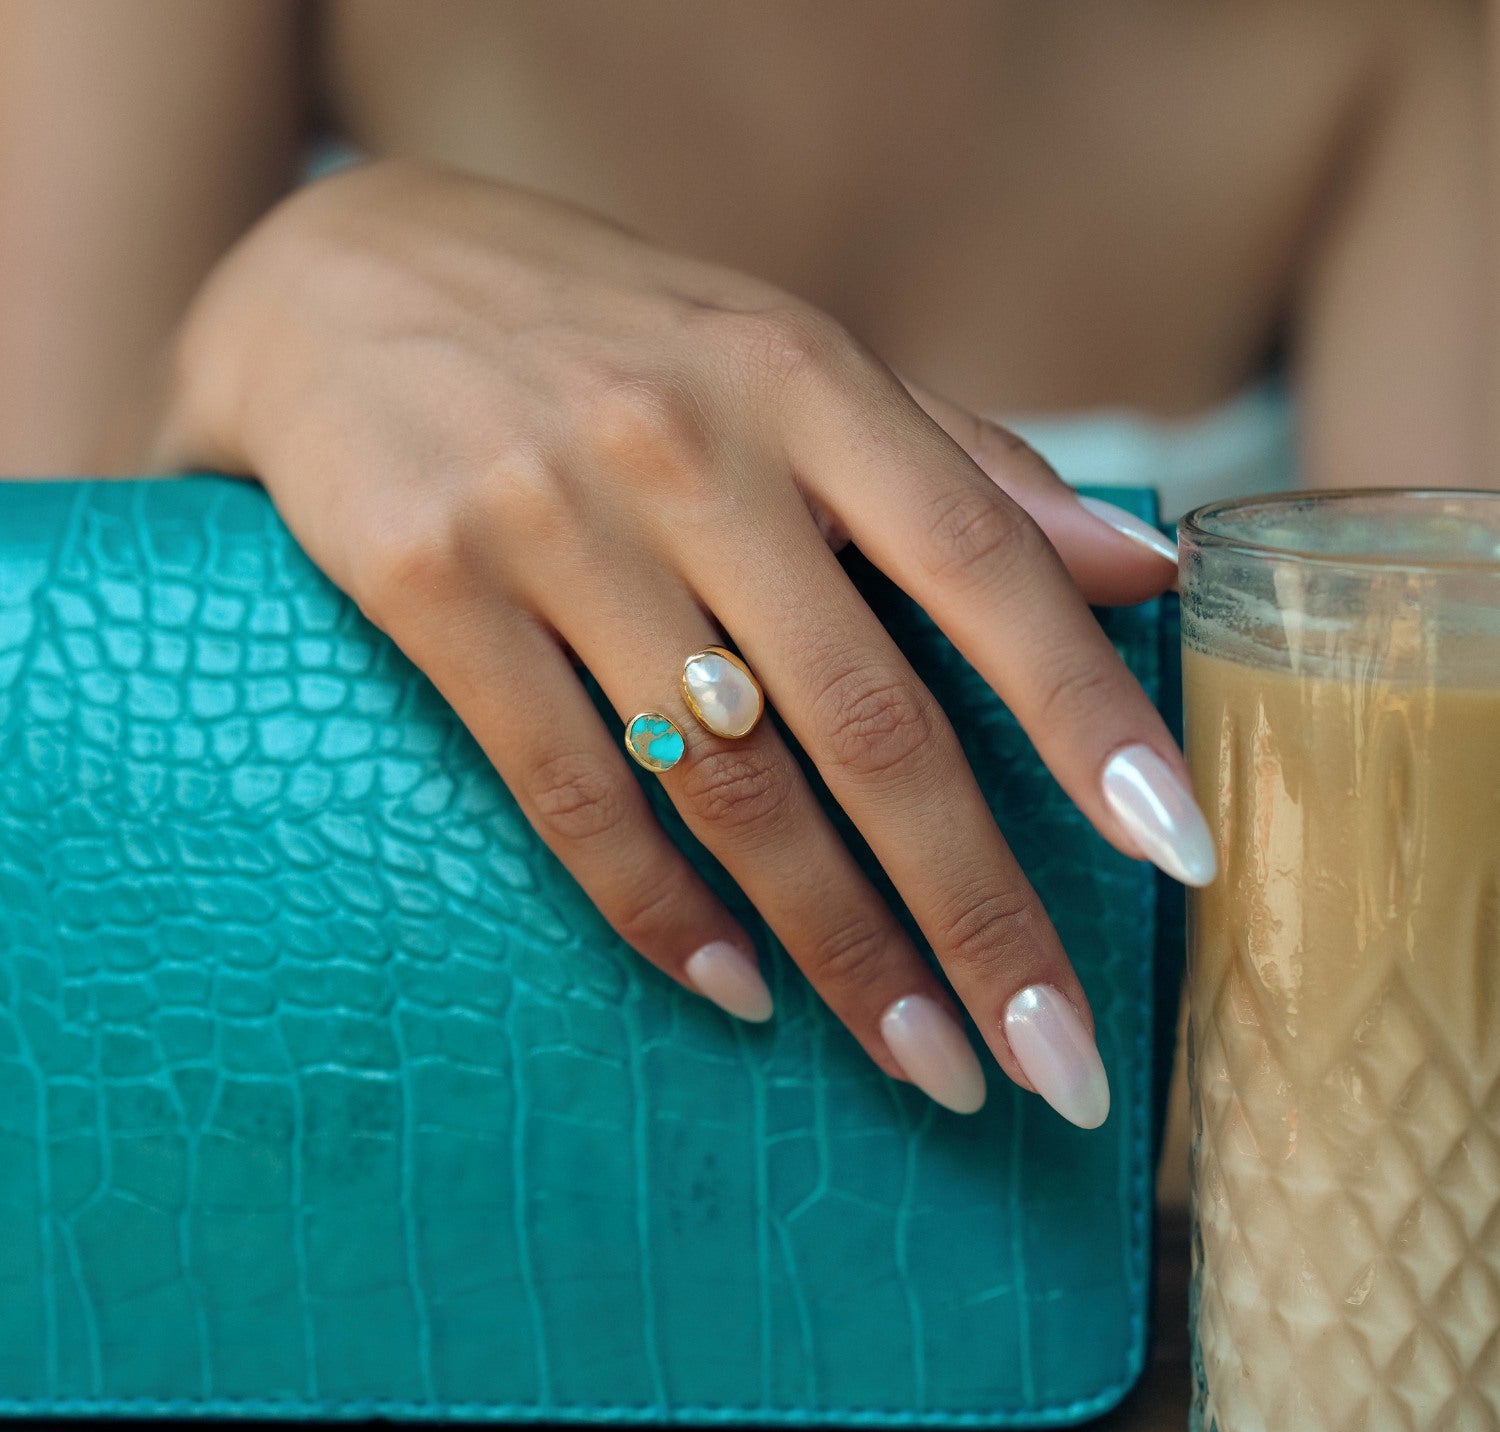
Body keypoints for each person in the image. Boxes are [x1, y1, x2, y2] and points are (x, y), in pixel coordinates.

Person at [0, 0, 1488, 1132]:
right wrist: (259, 316)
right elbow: (48, 864)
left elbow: (1447, 948)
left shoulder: (1421, 37)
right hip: (343, 1172)